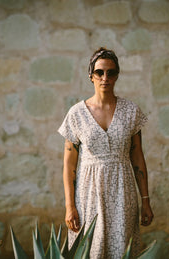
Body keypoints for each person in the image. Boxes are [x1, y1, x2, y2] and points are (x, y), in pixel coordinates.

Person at [58, 47, 154, 258]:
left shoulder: (131, 111)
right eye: (99, 72)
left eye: (111, 72)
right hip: (88, 195)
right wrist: (69, 206)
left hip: (123, 192)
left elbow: (138, 157)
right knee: (90, 249)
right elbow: (68, 165)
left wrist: (145, 200)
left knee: (121, 249)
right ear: (91, 75)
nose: (105, 78)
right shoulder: (76, 114)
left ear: (117, 75)